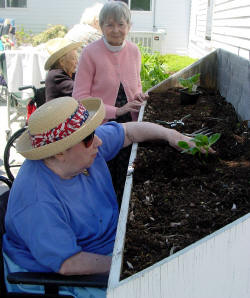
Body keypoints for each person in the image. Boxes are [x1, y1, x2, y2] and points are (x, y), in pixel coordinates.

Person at [2, 97, 211, 297]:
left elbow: (128, 132)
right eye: (89, 137)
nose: (99, 140)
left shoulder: (82, 150)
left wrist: (172, 135)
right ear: (59, 151)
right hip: (56, 279)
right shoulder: (37, 201)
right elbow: (69, 264)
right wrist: (133, 265)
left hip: (106, 246)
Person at [73, 1, 148, 203]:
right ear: (101, 26)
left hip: (130, 124)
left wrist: (138, 96)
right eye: (110, 24)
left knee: (126, 177)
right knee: (102, 180)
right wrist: (117, 110)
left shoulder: (133, 51)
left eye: (121, 24)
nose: (116, 30)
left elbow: (136, 84)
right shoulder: (90, 53)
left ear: (129, 26)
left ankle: (120, 223)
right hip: (101, 128)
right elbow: (79, 98)